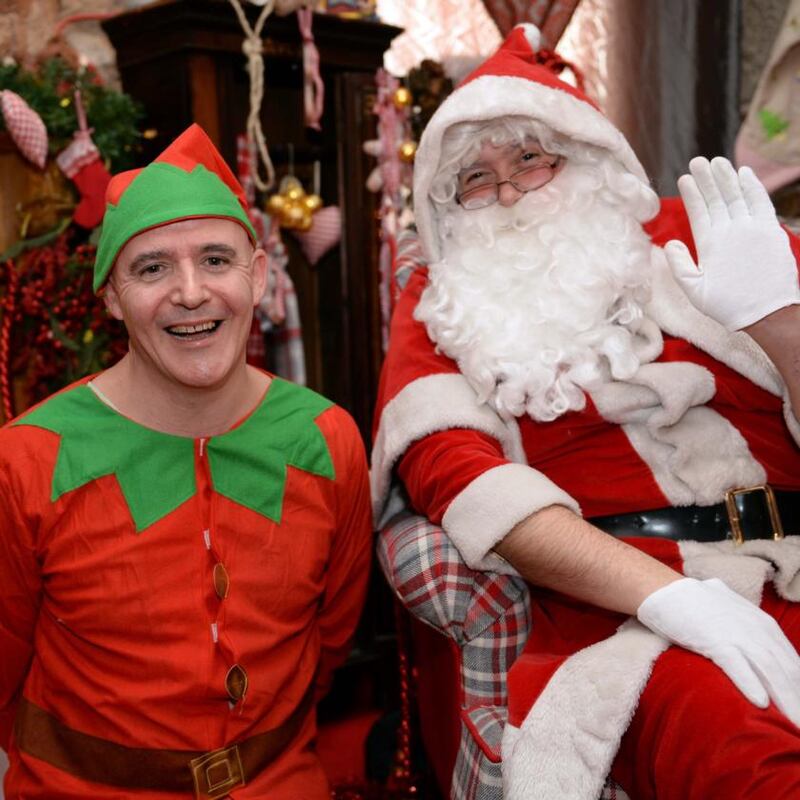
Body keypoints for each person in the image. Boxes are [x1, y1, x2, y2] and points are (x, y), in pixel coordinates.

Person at [371, 23, 800, 800]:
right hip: (628, 612)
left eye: (531, 159)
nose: (504, 194)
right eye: (473, 178)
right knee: (754, 765)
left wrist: (782, 323)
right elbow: (455, 478)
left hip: (795, 560)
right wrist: (668, 598)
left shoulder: (706, 236)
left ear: (592, 159)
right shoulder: (440, 306)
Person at [0, 124, 372, 800]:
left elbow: (330, 640)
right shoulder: (27, 460)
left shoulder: (327, 438)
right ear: (111, 296)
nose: (192, 292)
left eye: (216, 260)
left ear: (258, 276)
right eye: (152, 268)